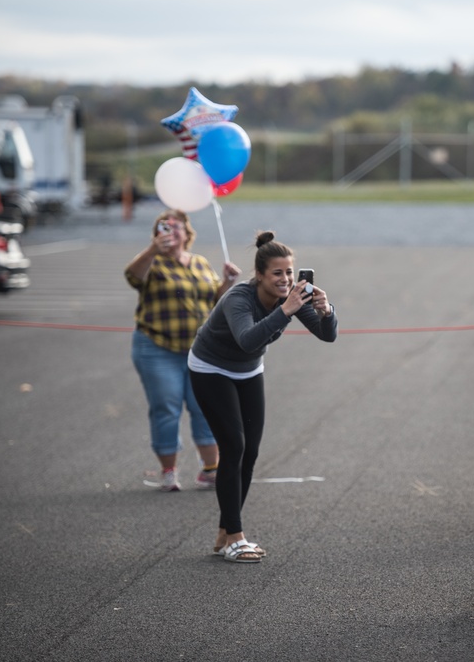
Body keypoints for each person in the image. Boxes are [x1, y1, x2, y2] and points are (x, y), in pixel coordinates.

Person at [189, 231, 337, 562]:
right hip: (210, 368)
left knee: (251, 452)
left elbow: (327, 336)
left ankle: (226, 530)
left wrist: (326, 312)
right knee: (234, 447)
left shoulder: (292, 298)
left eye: (289, 272)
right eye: (277, 273)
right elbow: (247, 339)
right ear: (259, 275)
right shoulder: (239, 299)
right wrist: (286, 310)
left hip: (248, 370)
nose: (286, 279)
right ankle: (235, 538)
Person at [125, 209, 241, 492]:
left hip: (199, 351)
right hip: (156, 347)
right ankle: (168, 472)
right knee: (166, 407)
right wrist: (153, 249)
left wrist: (227, 282)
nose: (171, 231)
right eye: (165, 227)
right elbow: (132, 276)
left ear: (188, 234)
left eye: (178, 227)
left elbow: (215, 298)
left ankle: (211, 471)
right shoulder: (152, 262)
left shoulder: (199, 263)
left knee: (205, 407)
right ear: (156, 234)